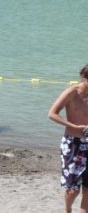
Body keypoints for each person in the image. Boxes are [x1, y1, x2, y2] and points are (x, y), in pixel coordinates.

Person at [48, 65, 88, 213]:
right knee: (73, 190)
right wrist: (73, 126)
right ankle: (68, 209)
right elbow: (52, 114)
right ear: (84, 77)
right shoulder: (72, 92)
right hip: (73, 143)